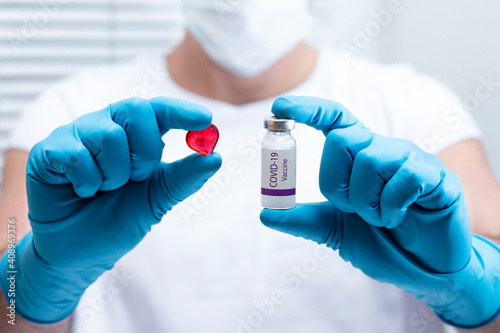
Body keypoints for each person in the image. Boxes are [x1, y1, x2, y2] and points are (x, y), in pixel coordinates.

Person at [1, 1, 499, 332]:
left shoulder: (417, 106)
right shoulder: (69, 110)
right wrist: (36, 279)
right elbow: (6, 307)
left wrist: (469, 287)